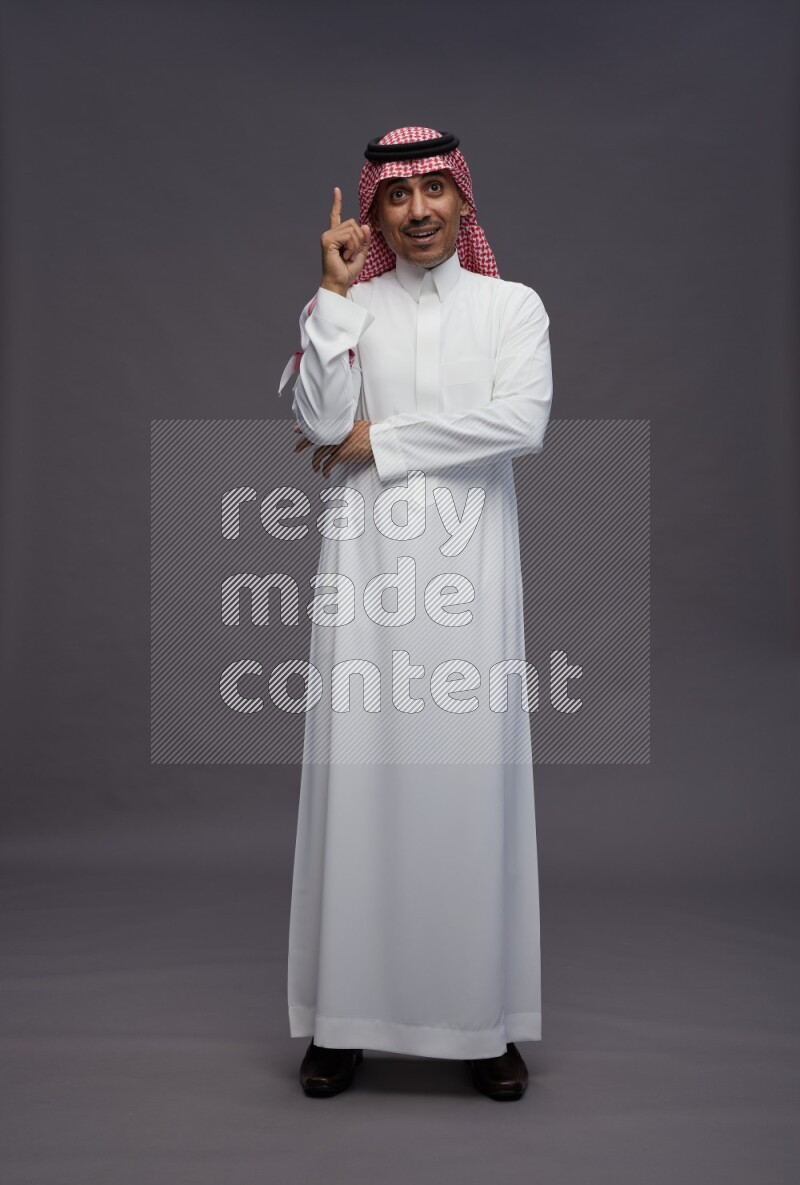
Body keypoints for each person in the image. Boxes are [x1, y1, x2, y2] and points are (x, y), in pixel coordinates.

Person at [277, 126, 554, 1100]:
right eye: (398, 197)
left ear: (465, 203)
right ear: (375, 211)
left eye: (437, 191)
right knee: (359, 783)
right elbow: (317, 424)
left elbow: (518, 421)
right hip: (365, 579)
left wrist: (380, 441)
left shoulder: (509, 305)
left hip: (470, 580)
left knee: (465, 791)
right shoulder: (351, 308)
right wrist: (333, 296)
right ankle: (341, 1022)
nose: (419, 210)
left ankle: (478, 1025)